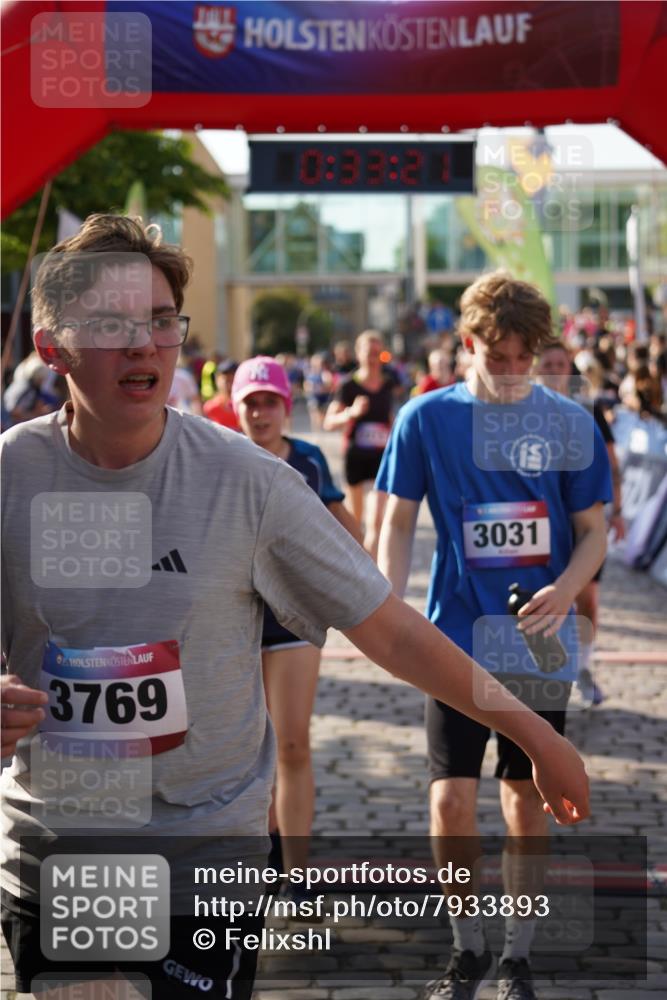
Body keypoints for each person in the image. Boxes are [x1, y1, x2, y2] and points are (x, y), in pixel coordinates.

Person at [2, 222, 590, 1000]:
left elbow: (387, 629)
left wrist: (532, 732)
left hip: (200, 860)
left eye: (160, 321)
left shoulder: (250, 484)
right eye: (111, 325)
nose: (143, 344)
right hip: (59, 850)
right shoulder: (13, 472)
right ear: (53, 346)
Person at [377, 271, 612, 1000]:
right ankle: (465, 946)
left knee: (521, 798)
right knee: (449, 801)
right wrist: (389, 608)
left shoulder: (568, 422)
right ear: (466, 344)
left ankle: (517, 954)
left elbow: (593, 534)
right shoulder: (424, 418)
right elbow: (393, 523)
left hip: (535, 640)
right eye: (496, 355)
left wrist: (565, 592)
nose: (511, 371)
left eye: (523, 357)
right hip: (451, 637)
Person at [231, 355, 361, 903]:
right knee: (241, 752)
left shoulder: (307, 459)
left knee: (291, 744)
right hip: (231, 622)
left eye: (270, 402)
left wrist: (368, 580)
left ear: (287, 407)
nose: (260, 413)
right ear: (236, 408)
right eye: (251, 403)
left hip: (290, 623)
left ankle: (299, 874)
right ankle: (257, 864)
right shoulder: (223, 458)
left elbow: (342, 525)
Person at [536, 341, 625, 706]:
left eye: (562, 362)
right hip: (543, 521)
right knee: (542, 597)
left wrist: (618, 511)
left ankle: (584, 667)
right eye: (549, 363)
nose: (556, 369)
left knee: (587, 596)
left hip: (585, 516)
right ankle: (537, 677)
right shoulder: (520, 411)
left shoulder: (587, 408)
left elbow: (611, 462)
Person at [324, 330, 399, 559]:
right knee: (355, 522)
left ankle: (373, 572)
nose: (374, 358)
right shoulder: (348, 386)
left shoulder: (388, 385)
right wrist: (351, 413)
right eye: (369, 353)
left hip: (381, 458)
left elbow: (390, 418)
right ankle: (359, 567)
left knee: (376, 518)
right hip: (355, 456)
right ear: (359, 354)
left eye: (378, 353)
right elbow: (329, 422)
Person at [203, 358, 240, 430]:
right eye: (225, 379)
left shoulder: (245, 406)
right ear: (217, 380)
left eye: (232, 378)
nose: (228, 383)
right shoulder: (210, 407)